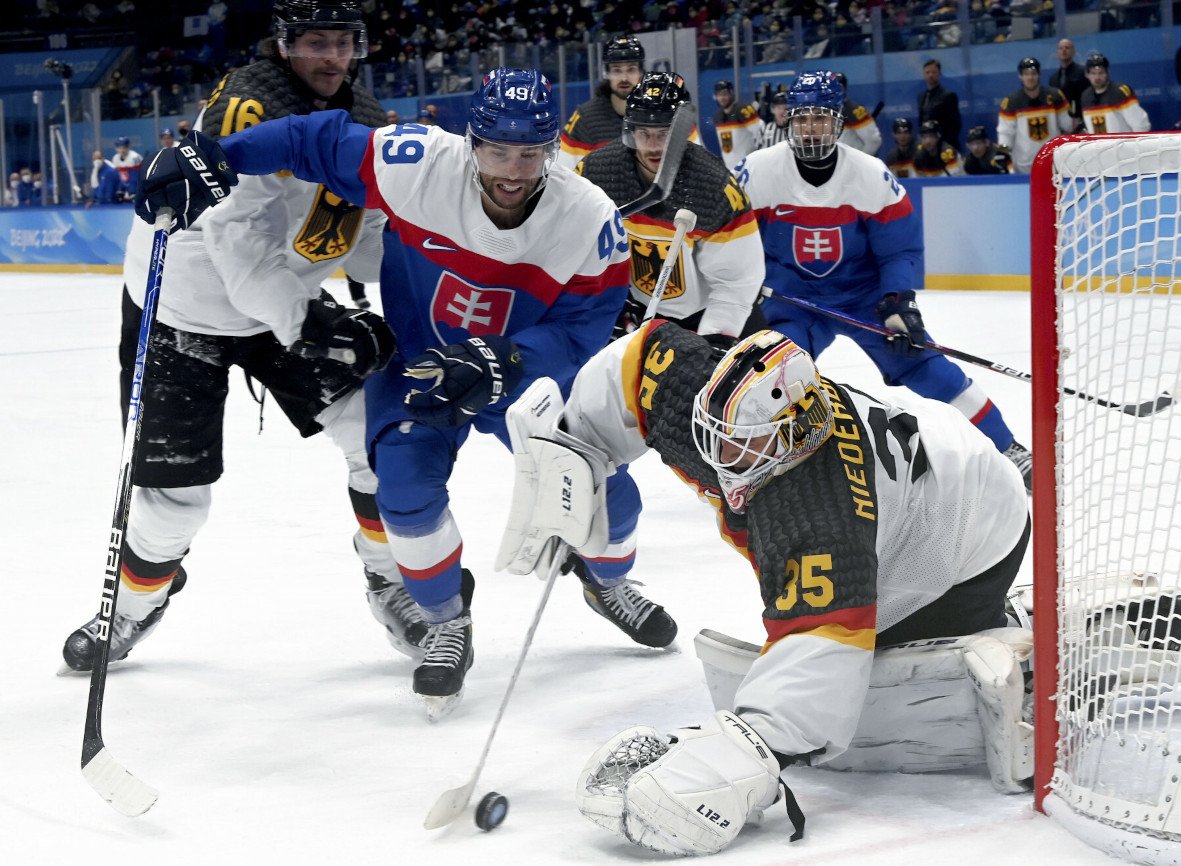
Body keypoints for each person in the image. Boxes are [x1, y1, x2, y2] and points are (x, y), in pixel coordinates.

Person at [198, 66, 678, 719]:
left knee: (602, 482)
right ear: (471, 141)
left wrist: (506, 356)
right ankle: (447, 620)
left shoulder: (588, 219)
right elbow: (312, 139)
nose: (514, 169)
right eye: (499, 150)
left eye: (531, 153)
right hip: (419, 362)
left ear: (550, 150)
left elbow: (583, 330)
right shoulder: (417, 162)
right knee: (401, 484)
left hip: (521, 374)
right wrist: (212, 155)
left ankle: (608, 579)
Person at [554, 322, 1031, 856]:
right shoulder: (714, 401)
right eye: (717, 437)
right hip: (932, 448)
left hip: (972, 530)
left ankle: (999, 622)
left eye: (742, 448)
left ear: (794, 438)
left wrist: (739, 758)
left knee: (885, 653)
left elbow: (819, 655)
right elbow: (639, 358)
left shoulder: (820, 514)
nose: (721, 458)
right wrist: (572, 452)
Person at [60, 0, 413, 673]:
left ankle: (393, 580)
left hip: (280, 298)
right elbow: (237, 244)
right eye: (316, 42)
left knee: (379, 437)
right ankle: (133, 604)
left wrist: (414, 255)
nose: (332, 57)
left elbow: (360, 236)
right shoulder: (249, 111)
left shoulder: (363, 117)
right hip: (184, 306)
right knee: (172, 503)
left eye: (343, 43)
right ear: (283, 46)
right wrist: (311, 322)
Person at [734, 71, 1032, 487]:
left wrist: (897, 302)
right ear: (790, 121)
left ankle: (1008, 448)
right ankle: (757, 464)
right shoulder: (758, 171)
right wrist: (742, 295)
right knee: (772, 376)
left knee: (928, 368)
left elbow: (899, 250)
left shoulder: (870, 174)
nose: (810, 128)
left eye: (820, 118)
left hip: (864, 296)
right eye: (803, 118)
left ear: (838, 121)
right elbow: (731, 238)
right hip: (794, 297)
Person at [576, 72, 765, 343]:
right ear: (630, 130)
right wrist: (610, 301)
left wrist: (715, 337)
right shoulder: (597, 172)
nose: (653, 146)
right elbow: (578, 249)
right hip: (637, 313)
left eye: (663, 134)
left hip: (703, 314)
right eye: (644, 133)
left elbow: (734, 282)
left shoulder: (714, 185)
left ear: (681, 132)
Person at [557, 34, 644, 171]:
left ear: (641, 72)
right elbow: (562, 172)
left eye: (631, 69)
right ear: (606, 73)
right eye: (616, 70)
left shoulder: (661, 113)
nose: (624, 78)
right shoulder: (585, 118)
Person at [997, 57, 1071, 174]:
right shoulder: (1011, 102)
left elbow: (1068, 126)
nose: (1030, 78)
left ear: (1039, 75)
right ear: (1020, 76)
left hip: (1054, 162)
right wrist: (1003, 153)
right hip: (1024, 166)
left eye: (1033, 74)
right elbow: (1006, 133)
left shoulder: (1055, 96)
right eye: (1026, 74)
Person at [1079, 53, 1151, 135]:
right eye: (1093, 73)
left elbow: (1140, 124)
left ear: (1107, 73)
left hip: (1123, 146)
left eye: (1101, 73)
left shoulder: (1120, 92)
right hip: (1098, 146)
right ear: (1087, 75)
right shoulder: (1085, 96)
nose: (1097, 77)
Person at [713, 79, 762, 170]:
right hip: (731, 170)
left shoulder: (744, 109)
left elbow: (761, 131)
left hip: (749, 167)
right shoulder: (717, 116)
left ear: (731, 93)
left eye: (725, 94)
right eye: (719, 95)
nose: (722, 98)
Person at [917, 59, 961, 151]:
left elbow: (955, 125)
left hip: (945, 146)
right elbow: (921, 122)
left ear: (939, 74)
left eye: (934, 72)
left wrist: (944, 144)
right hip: (927, 146)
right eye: (927, 72)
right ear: (924, 75)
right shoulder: (921, 97)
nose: (930, 75)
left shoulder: (948, 96)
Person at [834, 72, 881, 156]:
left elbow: (874, 140)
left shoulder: (854, 110)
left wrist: (860, 162)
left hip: (852, 163)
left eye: (839, 87)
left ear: (845, 88)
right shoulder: (825, 110)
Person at [1049, 38, 1088, 132]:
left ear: (1073, 51)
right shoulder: (1053, 78)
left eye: (1067, 47)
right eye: (1061, 48)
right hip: (1060, 126)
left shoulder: (1083, 72)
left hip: (1080, 123)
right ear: (1057, 52)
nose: (1063, 50)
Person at [110, 135, 144, 200]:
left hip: (136, 180)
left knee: (133, 188)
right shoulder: (115, 158)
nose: (122, 150)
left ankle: (133, 192)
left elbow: (137, 176)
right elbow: (118, 175)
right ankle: (121, 190)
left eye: (124, 147)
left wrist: (132, 190)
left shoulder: (134, 157)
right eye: (119, 148)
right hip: (125, 179)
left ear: (128, 147)